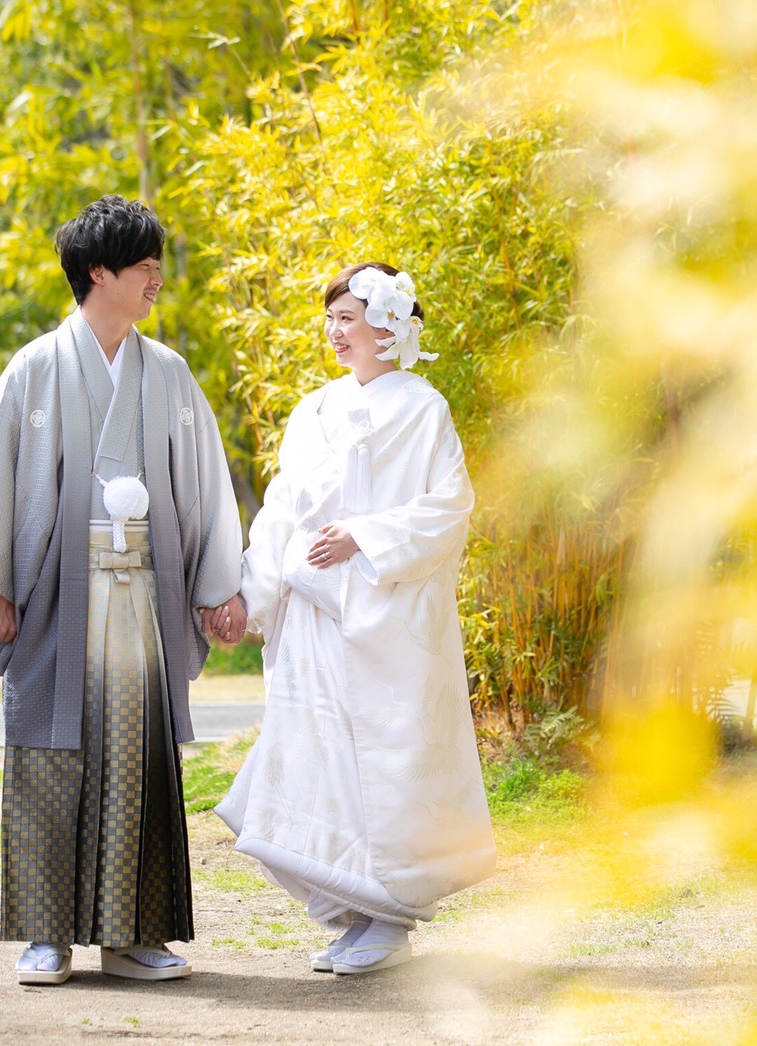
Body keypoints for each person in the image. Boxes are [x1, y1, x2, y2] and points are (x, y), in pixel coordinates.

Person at [0, 195, 245, 986]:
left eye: (156, 263)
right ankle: (46, 935)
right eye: (144, 264)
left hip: (143, 598)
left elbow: (207, 486)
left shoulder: (170, 374)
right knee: (49, 756)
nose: (157, 277)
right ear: (99, 272)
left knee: (137, 761)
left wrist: (220, 587)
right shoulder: (36, 369)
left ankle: (132, 935)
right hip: (56, 590)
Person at [213, 262, 495, 975]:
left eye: (348, 318)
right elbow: (282, 508)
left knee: (385, 761)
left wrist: (363, 536)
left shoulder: (423, 407)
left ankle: (389, 919)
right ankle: (347, 912)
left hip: (385, 619)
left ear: (389, 325)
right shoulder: (315, 409)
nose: (335, 333)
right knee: (318, 756)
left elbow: (448, 507)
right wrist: (251, 592)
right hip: (314, 616)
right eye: (331, 319)